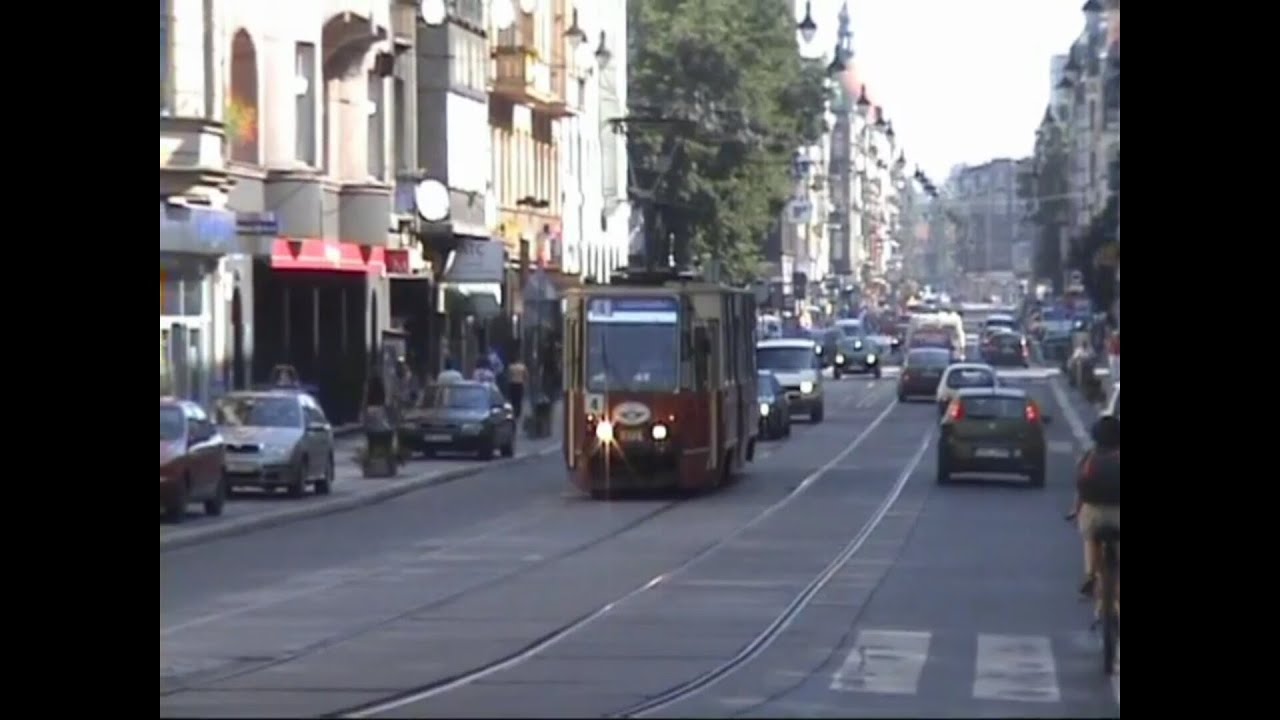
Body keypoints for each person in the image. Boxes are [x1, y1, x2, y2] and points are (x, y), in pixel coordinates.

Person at [1067, 416, 1120, 618]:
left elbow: (1081, 487)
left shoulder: (1089, 456)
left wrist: (1075, 510)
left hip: (1093, 514)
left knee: (1090, 538)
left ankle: (1090, 575)